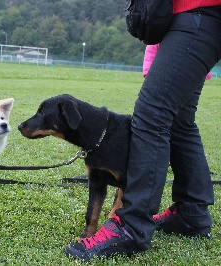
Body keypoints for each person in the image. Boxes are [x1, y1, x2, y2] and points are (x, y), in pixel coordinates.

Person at [65, 1, 220, 262]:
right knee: (179, 122)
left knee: (151, 115)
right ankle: (191, 214)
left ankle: (131, 228)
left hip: (200, 13)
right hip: (194, 17)